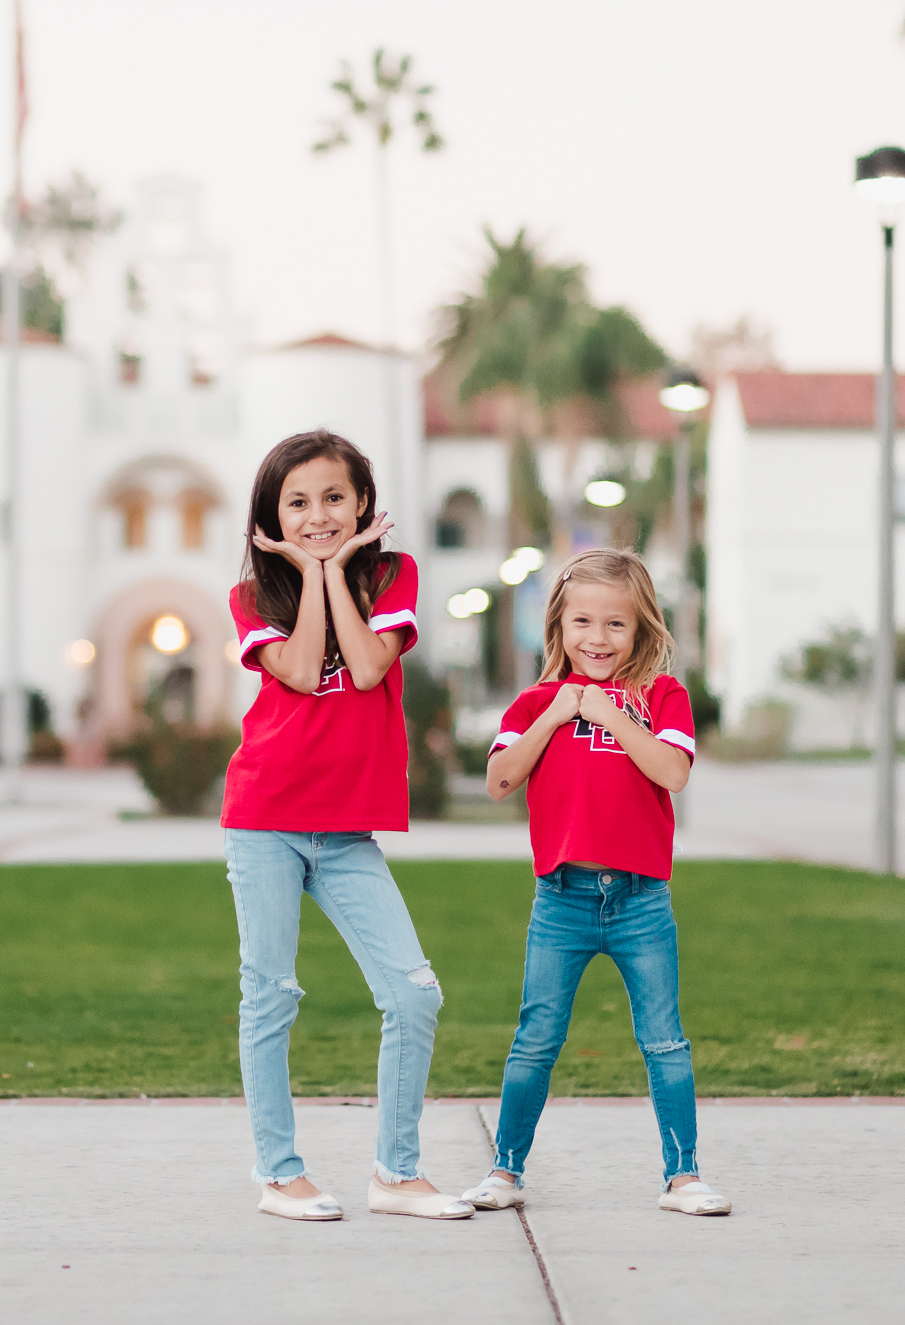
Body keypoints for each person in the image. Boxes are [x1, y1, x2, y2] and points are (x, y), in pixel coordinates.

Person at [222, 429, 472, 1223]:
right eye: (297, 502)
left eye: (334, 497)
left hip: (346, 833)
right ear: (271, 516)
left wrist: (331, 573)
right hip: (265, 817)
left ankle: (396, 1175)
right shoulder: (253, 596)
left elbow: (367, 666)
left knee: (414, 993)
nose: (318, 514)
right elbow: (299, 670)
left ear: (364, 503)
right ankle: (279, 1173)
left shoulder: (395, 575)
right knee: (270, 994)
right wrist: (312, 571)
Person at [461, 547, 732, 1217]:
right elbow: (499, 780)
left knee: (664, 1037)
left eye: (616, 624)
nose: (598, 638)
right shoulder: (533, 702)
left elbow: (672, 772)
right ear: (559, 626)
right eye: (583, 621)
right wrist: (557, 713)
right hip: (563, 899)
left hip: (640, 901)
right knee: (536, 1037)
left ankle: (683, 1175)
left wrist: (612, 715)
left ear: (641, 629)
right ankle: (505, 1167)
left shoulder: (661, 697)